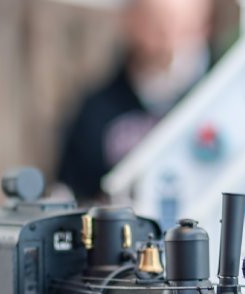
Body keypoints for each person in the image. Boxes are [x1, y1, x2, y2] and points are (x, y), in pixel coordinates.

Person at [57, 0, 215, 202]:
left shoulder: (226, 97)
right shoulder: (97, 111)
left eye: (184, 28)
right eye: (156, 25)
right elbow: (72, 192)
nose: (168, 38)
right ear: (130, 21)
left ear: (204, 27)